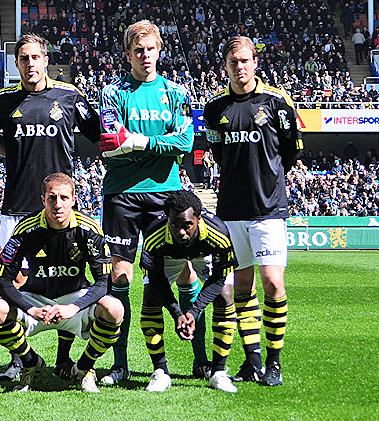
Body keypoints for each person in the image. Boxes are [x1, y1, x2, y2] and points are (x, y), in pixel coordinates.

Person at [0, 33, 100, 380]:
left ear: (45, 60)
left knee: (66, 275)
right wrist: (17, 156)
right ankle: (20, 359)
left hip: (60, 206)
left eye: (35, 57)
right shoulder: (3, 101)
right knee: (14, 280)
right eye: (23, 58)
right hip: (17, 205)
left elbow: (96, 131)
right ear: (16, 63)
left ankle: (64, 357)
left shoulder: (69, 96)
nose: (30, 63)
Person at [96, 19, 195, 386]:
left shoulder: (176, 93)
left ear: (159, 51)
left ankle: (199, 359)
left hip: (165, 192)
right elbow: (110, 145)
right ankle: (119, 364)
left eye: (151, 49)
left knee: (176, 274)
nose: (145, 56)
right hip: (121, 193)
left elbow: (185, 143)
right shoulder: (112, 92)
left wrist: (137, 142)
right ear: (128, 54)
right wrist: (156, 142)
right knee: (120, 276)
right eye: (138, 50)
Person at [203, 36, 302, 387]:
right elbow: (216, 154)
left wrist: (267, 181)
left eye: (245, 60)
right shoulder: (215, 109)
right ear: (225, 66)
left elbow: (291, 151)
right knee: (242, 285)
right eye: (233, 62)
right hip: (231, 210)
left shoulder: (277, 102)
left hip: (268, 208)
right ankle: (252, 361)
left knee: (274, 284)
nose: (240, 67)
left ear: (255, 62)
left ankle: (274, 363)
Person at [0, 173, 123, 392]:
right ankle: (31, 364)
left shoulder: (89, 229)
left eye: (63, 198)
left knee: (114, 308)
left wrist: (74, 307)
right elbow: (3, 281)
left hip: (74, 297)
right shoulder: (26, 229)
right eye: (52, 198)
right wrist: (30, 309)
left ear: (74, 199)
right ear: (43, 200)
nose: (57, 204)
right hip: (36, 300)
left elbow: (102, 282)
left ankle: (84, 368)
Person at [138, 190, 238, 392]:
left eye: (187, 225)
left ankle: (218, 372)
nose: (181, 232)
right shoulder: (154, 234)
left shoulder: (219, 233)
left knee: (225, 297)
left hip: (204, 252)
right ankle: (160, 372)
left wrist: (193, 311)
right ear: (167, 219)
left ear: (198, 219)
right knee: (150, 297)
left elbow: (219, 277)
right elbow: (156, 279)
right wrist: (177, 313)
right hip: (169, 256)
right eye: (174, 225)